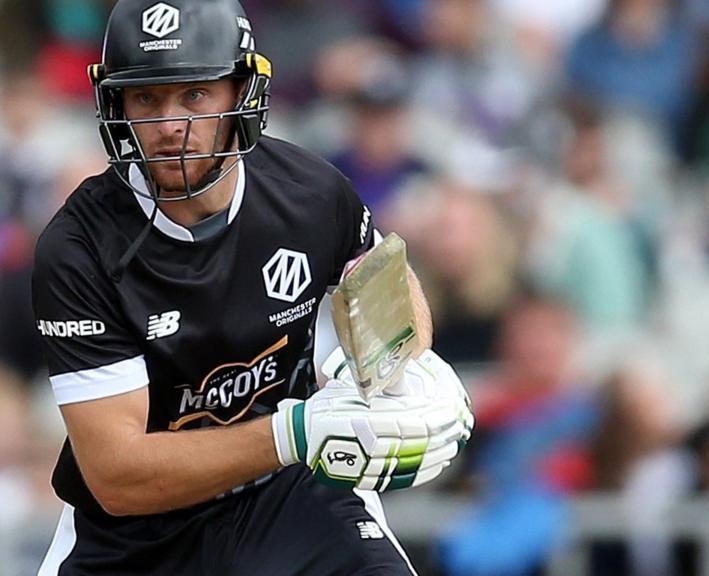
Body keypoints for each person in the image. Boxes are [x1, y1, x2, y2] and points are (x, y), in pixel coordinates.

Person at [31, 1, 473, 574]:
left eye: (194, 95)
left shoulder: (310, 191)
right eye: (146, 98)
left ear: (242, 94)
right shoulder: (78, 248)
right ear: (116, 105)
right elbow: (119, 475)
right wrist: (296, 431)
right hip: (135, 539)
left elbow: (386, 288)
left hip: (290, 498)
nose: (169, 125)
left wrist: (399, 364)